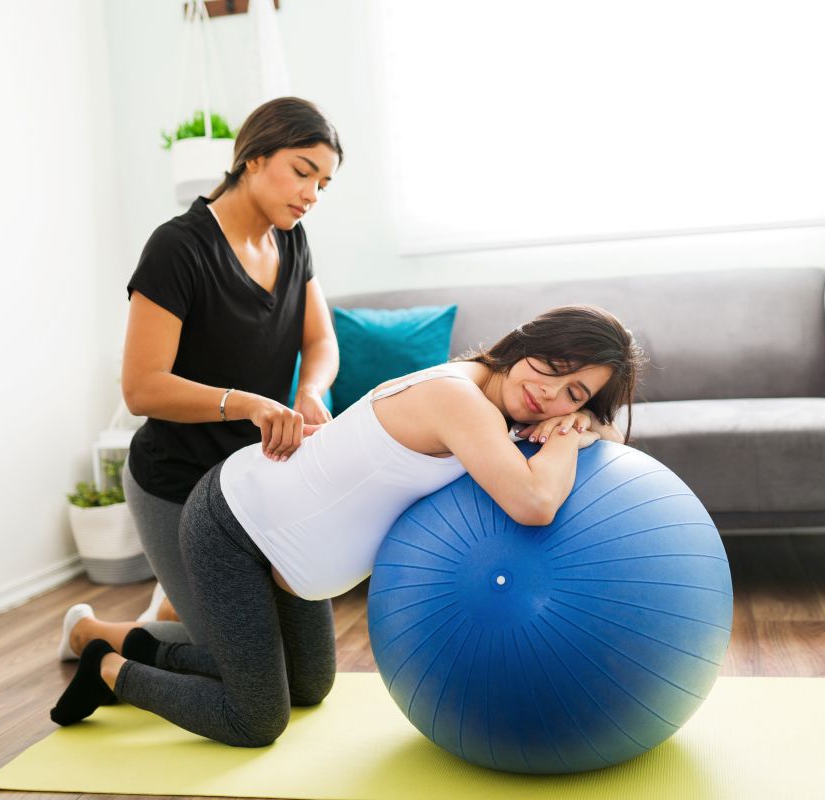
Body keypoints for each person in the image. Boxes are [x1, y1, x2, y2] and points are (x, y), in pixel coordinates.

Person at [49, 305, 646, 746]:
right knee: (256, 719)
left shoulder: (500, 405)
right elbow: (535, 504)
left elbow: (613, 438)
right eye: (551, 367)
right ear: (522, 343)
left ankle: (116, 636)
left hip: (294, 560)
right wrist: (569, 436)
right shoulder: (458, 399)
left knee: (308, 688)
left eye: (574, 392)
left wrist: (584, 423)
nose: (549, 393)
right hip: (236, 525)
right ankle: (108, 668)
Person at [61, 97, 345, 656]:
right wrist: (248, 404)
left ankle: (176, 611)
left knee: (296, 667)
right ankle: (90, 636)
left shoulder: (292, 239)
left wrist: (309, 390)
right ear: (254, 159)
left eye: (324, 184)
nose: (312, 194)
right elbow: (142, 388)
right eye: (303, 172)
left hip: (252, 479)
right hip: (178, 483)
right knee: (243, 666)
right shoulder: (178, 247)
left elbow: (321, 340)